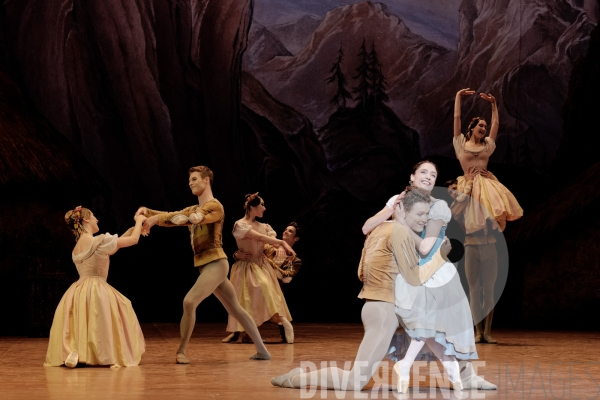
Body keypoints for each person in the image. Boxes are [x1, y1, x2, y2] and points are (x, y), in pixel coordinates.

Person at [270, 188, 451, 390]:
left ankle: (462, 376)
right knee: (356, 380)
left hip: (385, 307)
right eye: (421, 214)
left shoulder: (381, 229)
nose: (425, 219)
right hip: (384, 311)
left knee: (440, 335)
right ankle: (296, 379)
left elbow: (363, 273)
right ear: (404, 210)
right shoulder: (399, 233)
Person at [364, 160, 497, 390]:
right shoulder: (399, 200)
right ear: (412, 177)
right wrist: (392, 209)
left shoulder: (437, 206)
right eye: (423, 172)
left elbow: (426, 248)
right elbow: (367, 228)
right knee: (430, 326)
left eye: (433, 174)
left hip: (434, 270)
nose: (428, 176)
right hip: (409, 269)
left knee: (439, 325)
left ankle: (460, 374)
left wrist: (402, 223)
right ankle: (454, 374)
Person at [136, 166, 273, 363]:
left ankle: (181, 351)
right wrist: (148, 212)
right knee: (236, 309)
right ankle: (262, 350)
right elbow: (171, 216)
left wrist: (158, 218)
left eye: (194, 179)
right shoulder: (193, 209)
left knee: (189, 301)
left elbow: (195, 219)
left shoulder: (215, 206)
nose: (190, 182)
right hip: (206, 265)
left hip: (216, 263)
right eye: (189, 179)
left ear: (206, 180)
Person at [44, 206, 146, 368]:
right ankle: (100, 353)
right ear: (86, 220)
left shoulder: (78, 245)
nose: (96, 219)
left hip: (78, 289)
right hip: (97, 286)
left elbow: (115, 245)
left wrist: (134, 229)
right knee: (120, 308)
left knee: (83, 320)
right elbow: (132, 241)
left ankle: (76, 351)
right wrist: (139, 221)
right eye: (93, 216)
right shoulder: (97, 241)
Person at [221, 194, 295, 344]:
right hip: (245, 267)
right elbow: (258, 238)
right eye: (261, 205)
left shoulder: (265, 227)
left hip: (262, 266)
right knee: (244, 300)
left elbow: (270, 241)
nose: (264, 208)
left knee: (267, 293)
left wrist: (280, 246)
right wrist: (282, 242)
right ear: (252, 207)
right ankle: (242, 333)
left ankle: (281, 322)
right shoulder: (239, 225)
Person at [453, 88, 523, 234]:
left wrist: (494, 104)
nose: (484, 128)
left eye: (485, 126)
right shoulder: (460, 144)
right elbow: (457, 118)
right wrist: (459, 96)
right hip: (468, 183)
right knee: (470, 222)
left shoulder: (487, 145)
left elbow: (496, 123)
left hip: (487, 184)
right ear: (472, 127)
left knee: (492, 221)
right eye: (480, 125)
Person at [446, 172, 499, 344]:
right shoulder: (455, 207)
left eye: (455, 189)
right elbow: (461, 202)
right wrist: (466, 188)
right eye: (450, 192)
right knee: (474, 291)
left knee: (489, 290)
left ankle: (488, 332)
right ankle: (478, 332)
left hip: (489, 244)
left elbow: (495, 193)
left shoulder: (480, 201)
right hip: (471, 246)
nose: (453, 193)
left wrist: (490, 176)